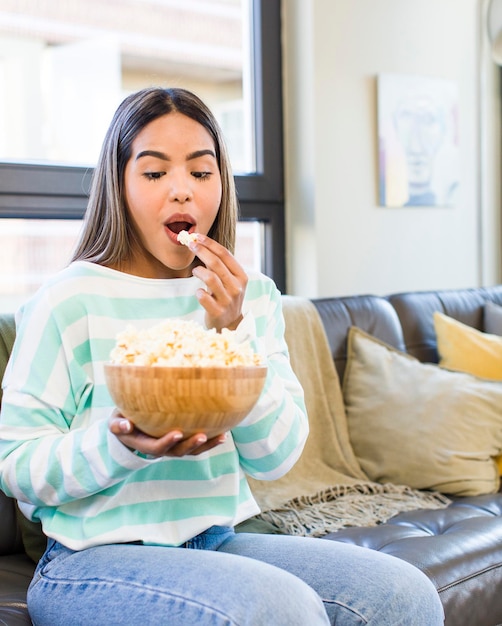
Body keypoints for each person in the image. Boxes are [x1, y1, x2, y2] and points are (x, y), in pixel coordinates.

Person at [0, 87, 444, 625]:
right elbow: (17, 465)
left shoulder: (249, 296)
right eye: (155, 173)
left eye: (201, 173)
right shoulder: (69, 299)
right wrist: (122, 444)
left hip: (217, 542)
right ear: (119, 184)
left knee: (405, 595)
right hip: (90, 557)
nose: (182, 192)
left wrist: (233, 332)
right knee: (282, 610)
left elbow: (276, 457)